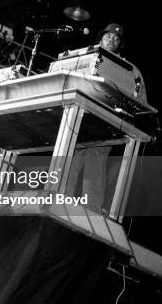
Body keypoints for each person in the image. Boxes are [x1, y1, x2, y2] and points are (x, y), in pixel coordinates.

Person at [65, 23, 147, 213]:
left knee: (96, 162)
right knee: (71, 157)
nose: (112, 40)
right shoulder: (86, 56)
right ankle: (60, 199)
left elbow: (140, 100)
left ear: (119, 45)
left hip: (107, 122)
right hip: (80, 116)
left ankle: (92, 210)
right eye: (108, 36)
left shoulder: (129, 70)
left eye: (116, 39)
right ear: (100, 39)